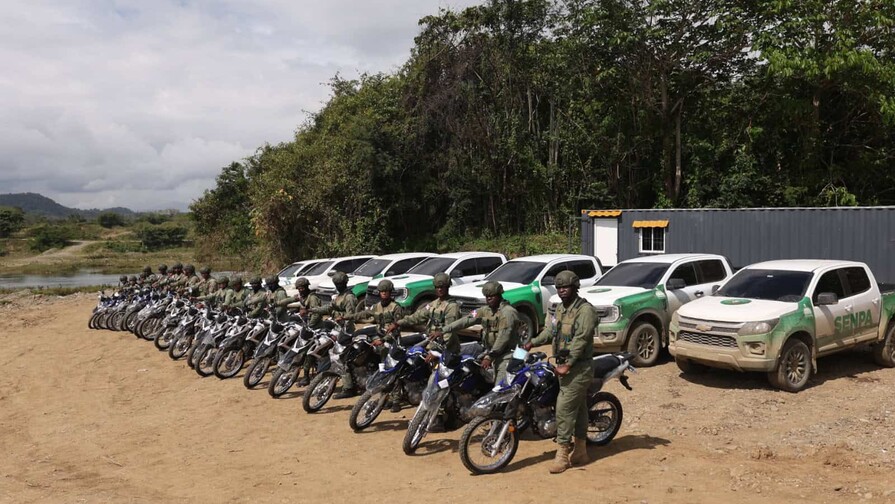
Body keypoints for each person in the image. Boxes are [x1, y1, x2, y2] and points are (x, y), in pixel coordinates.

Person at [525, 270, 598, 474]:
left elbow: (581, 340)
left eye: (565, 286)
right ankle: (581, 451)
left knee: (564, 409)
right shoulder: (560, 309)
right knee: (579, 408)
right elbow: (551, 331)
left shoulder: (585, 311)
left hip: (579, 368)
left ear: (575, 287)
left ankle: (563, 454)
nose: (561, 290)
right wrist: (533, 342)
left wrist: (568, 364)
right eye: (558, 287)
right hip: (563, 366)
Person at [433, 280, 520, 384]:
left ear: (499, 295)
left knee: (500, 388)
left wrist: (489, 357)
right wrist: (443, 330)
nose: (489, 298)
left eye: (492, 295)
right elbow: (466, 320)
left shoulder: (508, 313)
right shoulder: (485, 310)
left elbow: (503, 338)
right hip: (490, 351)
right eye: (487, 296)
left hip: (508, 353)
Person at [347, 279, 405, 410]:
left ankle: (396, 400)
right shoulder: (377, 306)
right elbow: (365, 313)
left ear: (391, 293)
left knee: (392, 370)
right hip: (380, 342)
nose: (384, 293)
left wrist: (384, 340)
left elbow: (397, 329)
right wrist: (348, 317)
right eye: (381, 291)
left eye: (386, 291)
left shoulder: (396, 308)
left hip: (393, 342)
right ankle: (386, 396)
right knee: (382, 369)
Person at [306, 271, 358, 398]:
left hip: (346, 331)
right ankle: (320, 373)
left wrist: (343, 318)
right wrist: (313, 310)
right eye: (336, 283)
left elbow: (350, 316)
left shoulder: (349, 297)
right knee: (320, 345)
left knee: (338, 357)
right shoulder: (339, 296)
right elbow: (329, 308)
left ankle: (349, 387)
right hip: (336, 328)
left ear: (345, 283)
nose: (337, 285)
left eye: (340, 283)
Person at [386, 273, 461, 354]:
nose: (439, 289)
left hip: (446, 349)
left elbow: (449, 332)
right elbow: (417, 316)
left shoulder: (452, 307)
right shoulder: (434, 304)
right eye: (437, 287)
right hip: (431, 342)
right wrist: (398, 323)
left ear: (447, 287)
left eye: (442, 287)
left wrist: (436, 352)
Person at [277, 277, 324, 386]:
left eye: (302, 288)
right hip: (306, 326)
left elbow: (316, 314)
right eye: (299, 288)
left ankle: (306, 376)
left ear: (307, 287)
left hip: (316, 328)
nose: (300, 290)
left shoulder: (312, 298)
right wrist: (277, 303)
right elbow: (290, 300)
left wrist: (310, 325)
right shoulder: (302, 296)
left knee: (307, 352)